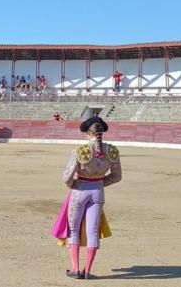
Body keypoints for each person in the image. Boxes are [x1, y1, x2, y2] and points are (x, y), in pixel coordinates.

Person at [51, 117, 122, 279]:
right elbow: (117, 177)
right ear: (101, 133)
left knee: (74, 229)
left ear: (88, 133)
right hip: (98, 192)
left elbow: (66, 177)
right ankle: (88, 271)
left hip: (80, 190)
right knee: (93, 232)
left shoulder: (80, 151)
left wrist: (74, 184)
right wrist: (99, 183)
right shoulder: (112, 151)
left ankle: (75, 269)